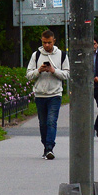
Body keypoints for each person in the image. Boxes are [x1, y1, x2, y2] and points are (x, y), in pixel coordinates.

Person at [25, 29, 68, 160]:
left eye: (49, 42)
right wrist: (39, 70)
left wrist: (53, 70)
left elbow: (67, 74)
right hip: (40, 95)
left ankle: (50, 148)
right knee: (43, 123)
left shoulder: (62, 55)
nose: (47, 45)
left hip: (55, 94)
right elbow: (28, 75)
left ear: (54, 41)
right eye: (44, 43)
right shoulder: (36, 55)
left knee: (51, 121)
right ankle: (45, 146)